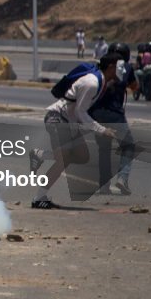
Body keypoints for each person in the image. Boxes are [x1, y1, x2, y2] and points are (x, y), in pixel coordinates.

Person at [28, 53, 121, 209]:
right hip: (57, 118)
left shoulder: (100, 81)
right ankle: (38, 198)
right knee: (62, 160)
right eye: (120, 66)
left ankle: (40, 155)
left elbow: (81, 111)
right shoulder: (92, 83)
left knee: (81, 156)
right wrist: (102, 130)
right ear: (111, 67)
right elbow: (80, 112)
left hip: (69, 122)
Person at [88, 42, 138, 195]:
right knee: (128, 146)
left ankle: (104, 185)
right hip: (115, 116)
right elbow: (135, 87)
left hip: (96, 114)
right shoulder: (127, 68)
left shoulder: (100, 67)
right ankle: (122, 179)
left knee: (104, 150)